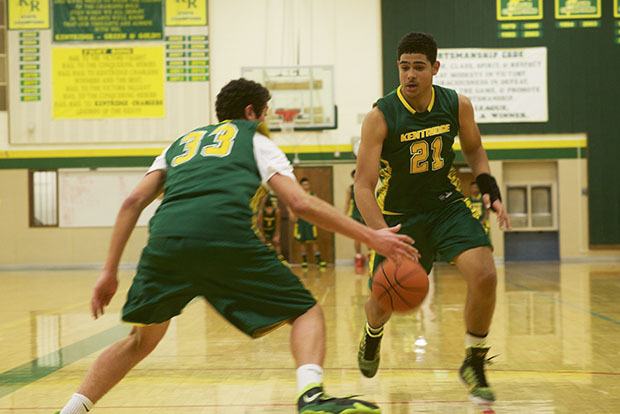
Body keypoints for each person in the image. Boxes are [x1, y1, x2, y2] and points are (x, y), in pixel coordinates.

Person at [56, 78, 418, 414]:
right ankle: (311, 396)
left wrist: (108, 271)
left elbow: (131, 203)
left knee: (139, 342)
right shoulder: (256, 141)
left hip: (166, 242)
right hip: (222, 234)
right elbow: (301, 204)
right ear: (250, 112)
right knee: (307, 313)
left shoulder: (180, 144)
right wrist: (373, 237)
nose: (268, 120)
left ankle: (69, 411)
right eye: (266, 113)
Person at [354, 32, 510, 405]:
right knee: (382, 304)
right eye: (404, 67)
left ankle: (473, 361)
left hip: (446, 205)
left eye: (418, 68)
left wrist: (489, 185)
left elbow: (474, 149)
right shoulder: (380, 116)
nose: (410, 75)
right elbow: (363, 186)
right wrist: (380, 235)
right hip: (398, 218)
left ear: (434, 68)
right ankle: (372, 333)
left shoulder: (456, 105)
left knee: (485, 274)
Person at [293, 177, 326, 268]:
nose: (306, 186)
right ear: (301, 186)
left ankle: (318, 259)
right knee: (301, 241)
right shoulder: (298, 195)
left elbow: (317, 207)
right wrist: (294, 216)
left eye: (307, 184)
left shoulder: (312, 195)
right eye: (304, 184)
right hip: (301, 221)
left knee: (314, 241)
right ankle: (304, 261)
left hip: (310, 221)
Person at [343, 169, 366, 268]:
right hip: (355, 215)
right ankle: (358, 256)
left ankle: (371, 255)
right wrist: (343, 216)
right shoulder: (350, 188)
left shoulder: (366, 187)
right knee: (357, 238)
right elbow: (347, 202)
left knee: (369, 236)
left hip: (365, 214)